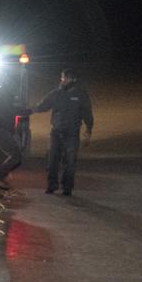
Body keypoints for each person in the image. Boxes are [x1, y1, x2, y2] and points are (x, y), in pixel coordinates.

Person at [26, 68, 94, 196]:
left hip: (72, 134)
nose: (62, 80)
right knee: (52, 160)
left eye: (64, 78)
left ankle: (67, 188)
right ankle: (52, 185)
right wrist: (30, 110)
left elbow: (87, 113)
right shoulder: (56, 93)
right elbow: (43, 105)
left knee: (70, 162)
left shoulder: (81, 95)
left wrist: (89, 129)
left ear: (72, 79)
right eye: (62, 78)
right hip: (56, 132)